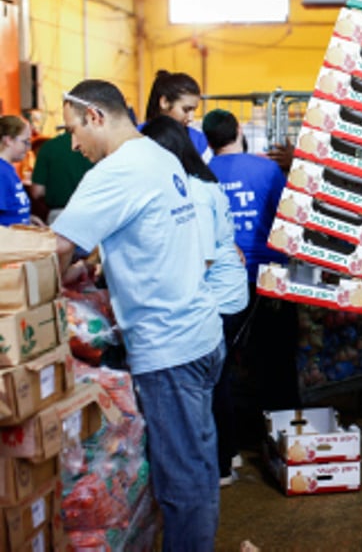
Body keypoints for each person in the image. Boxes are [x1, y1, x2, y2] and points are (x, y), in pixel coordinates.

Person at [52, 80, 224, 550]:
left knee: (182, 480)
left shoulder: (117, 171)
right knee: (200, 464)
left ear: (94, 117)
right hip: (201, 333)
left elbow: (60, 248)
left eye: (73, 130)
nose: (73, 143)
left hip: (169, 346)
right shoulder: (158, 155)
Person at [142, 115, 249, 488]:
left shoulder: (194, 191)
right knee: (216, 379)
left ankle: (220, 465)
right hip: (223, 290)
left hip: (218, 296)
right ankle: (228, 452)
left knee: (211, 381)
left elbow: (199, 257)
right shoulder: (197, 181)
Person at [204, 109, 297, 412]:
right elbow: (287, 217)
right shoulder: (266, 170)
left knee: (226, 361)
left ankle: (233, 438)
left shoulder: (202, 175)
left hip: (223, 280)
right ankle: (280, 434)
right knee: (277, 359)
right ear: (239, 131)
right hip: (271, 276)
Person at [143, 70, 210, 161]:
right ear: (165, 102)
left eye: (194, 110)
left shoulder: (199, 140)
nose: (191, 118)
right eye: (186, 110)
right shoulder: (137, 137)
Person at [29, 131, 93, 224]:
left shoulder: (49, 147)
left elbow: (37, 192)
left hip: (59, 214)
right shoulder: (100, 146)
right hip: (92, 213)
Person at [0, 115, 39, 226]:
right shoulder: (1, 172)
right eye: (25, 142)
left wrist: (26, 218)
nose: (29, 148)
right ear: (8, 140)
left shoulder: (8, 169)